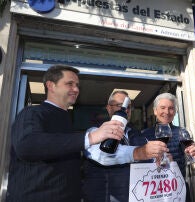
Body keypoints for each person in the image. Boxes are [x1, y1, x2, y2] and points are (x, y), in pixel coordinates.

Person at [6, 65, 124, 202]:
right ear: (51, 86)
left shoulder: (66, 120)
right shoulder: (32, 113)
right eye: (70, 84)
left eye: (77, 85)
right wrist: (90, 137)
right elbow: (26, 145)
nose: (76, 89)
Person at [83, 90, 169, 202]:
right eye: (120, 105)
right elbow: (103, 156)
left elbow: (153, 160)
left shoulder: (138, 134)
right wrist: (139, 152)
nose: (126, 110)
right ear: (109, 108)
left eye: (129, 107)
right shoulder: (94, 132)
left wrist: (163, 159)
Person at [141, 92, 195, 201]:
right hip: (154, 192)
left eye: (171, 108)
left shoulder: (181, 132)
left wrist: (194, 150)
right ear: (155, 111)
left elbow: (189, 148)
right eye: (162, 108)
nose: (167, 112)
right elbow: (139, 162)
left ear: (175, 112)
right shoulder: (144, 134)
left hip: (178, 188)